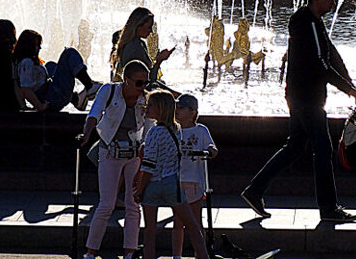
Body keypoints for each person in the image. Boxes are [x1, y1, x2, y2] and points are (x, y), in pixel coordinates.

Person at [241, 0, 356, 224]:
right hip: (306, 97)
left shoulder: (312, 23)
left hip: (301, 95)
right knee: (323, 149)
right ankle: (328, 208)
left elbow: (331, 55)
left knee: (295, 146)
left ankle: (254, 191)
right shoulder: (306, 22)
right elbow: (322, 64)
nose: (332, 3)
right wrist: (348, 89)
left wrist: (349, 83)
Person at [78, 60, 150, 259]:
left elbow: (149, 131)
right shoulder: (108, 91)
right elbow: (94, 113)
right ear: (126, 80)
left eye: (146, 82)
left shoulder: (145, 99)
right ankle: (91, 252)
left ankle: (130, 251)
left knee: (133, 204)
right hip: (109, 152)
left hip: (134, 154)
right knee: (107, 203)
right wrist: (86, 134)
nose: (142, 87)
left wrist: (143, 164)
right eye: (138, 83)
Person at [133, 90, 211, 259]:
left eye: (151, 105)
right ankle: (204, 256)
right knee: (192, 225)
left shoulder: (154, 132)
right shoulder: (176, 130)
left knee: (150, 231)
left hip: (153, 185)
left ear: (160, 108)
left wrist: (139, 189)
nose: (147, 107)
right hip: (172, 183)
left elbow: (149, 165)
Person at [173, 93, 217, 259]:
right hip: (177, 180)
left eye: (181, 108)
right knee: (178, 221)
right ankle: (176, 255)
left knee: (195, 221)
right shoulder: (173, 129)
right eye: (176, 107)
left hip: (194, 181)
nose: (177, 111)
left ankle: (200, 253)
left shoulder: (200, 130)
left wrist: (211, 150)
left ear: (192, 112)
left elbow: (211, 145)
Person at [13, 29, 101, 112]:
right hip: (51, 98)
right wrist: (40, 106)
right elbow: (25, 89)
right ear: (29, 46)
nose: (40, 48)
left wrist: (24, 106)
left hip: (51, 96)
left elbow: (19, 86)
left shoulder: (23, 63)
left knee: (50, 66)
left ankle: (76, 100)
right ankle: (89, 85)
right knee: (69, 53)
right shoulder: (26, 63)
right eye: (37, 45)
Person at [114, 8, 174, 84]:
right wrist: (159, 60)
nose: (151, 31)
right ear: (138, 25)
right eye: (149, 27)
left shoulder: (136, 43)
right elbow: (145, 81)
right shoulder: (134, 47)